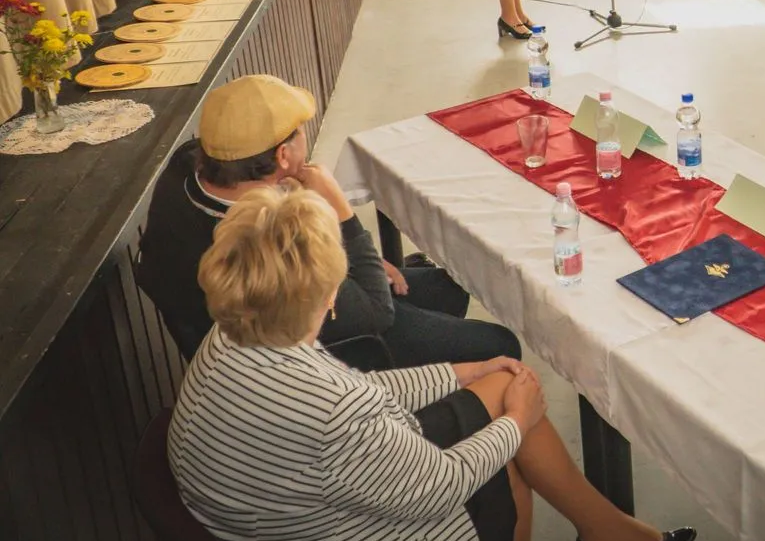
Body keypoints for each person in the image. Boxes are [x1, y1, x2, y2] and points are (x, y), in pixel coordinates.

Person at [168, 185, 695, 541]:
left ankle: (609, 533)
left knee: (501, 382)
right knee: (505, 458)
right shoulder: (334, 409)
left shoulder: (237, 329)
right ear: (330, 296)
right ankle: (611, 534)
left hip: (272, 506)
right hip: (338, 531)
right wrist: (517, 421)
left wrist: (463, 372)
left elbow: (361, 390)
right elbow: (441, 485)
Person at [136, 75, 521, 369]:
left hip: (234, 335)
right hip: (303, 353)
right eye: (301, 130)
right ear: (283, 155)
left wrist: (357, 258)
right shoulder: (270, 239)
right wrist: (341, 212)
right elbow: (376, 312)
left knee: (448, 289)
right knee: (499, 344)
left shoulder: (188, 167)